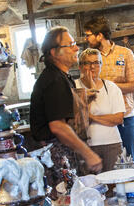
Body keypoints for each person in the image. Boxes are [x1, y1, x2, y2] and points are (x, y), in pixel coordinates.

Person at [29, 26, 102, 174]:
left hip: (63, 151)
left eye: (74, 43)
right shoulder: (54, 80)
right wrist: (88, 153)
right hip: (54, 155)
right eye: (70, 45)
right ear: (54, 52)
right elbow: (58, 126)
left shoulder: (62, 77)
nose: (76, 48)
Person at [84, 17, 134, 163]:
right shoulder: (89, 58)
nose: (86, 38)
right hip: (99, 119)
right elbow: (87, 86)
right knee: (104, 165)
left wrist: (109, 86)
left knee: (128, 162)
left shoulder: (125, 53)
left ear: (100, 35)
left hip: (126, 116)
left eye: (88, 34)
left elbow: (133, 86)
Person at [75, 47, 125, 172]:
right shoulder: (74, 87)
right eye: (88, 63)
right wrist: (89, 87)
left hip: (112, 143)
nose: (92, 67)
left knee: (115, 184)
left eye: (96, 62)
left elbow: (118, 118)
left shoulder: (111, 87)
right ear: (80, 66)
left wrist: (91, 117)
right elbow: (78, 121)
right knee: (91, 185)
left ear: (101, 65)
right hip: (86, 146)